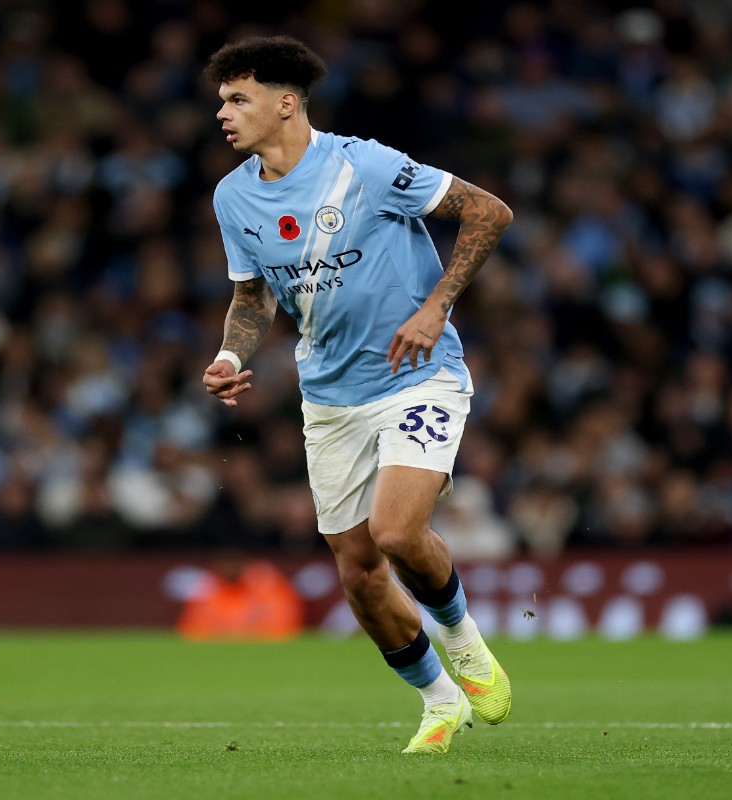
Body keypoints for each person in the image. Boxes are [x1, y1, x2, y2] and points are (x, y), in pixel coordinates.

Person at [201, 36, 514, 754]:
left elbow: (489, 212)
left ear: (286, 104)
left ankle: (463, 642)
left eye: (237, 98)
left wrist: (437, 304)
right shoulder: (233, 195)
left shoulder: (364, 165)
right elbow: (252, 297)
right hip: (329, 397)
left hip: (418, 374)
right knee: (359, 570)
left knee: (397, 533)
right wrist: (227, 354)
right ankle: (439, 701)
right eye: (221, 100)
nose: (222, 112)